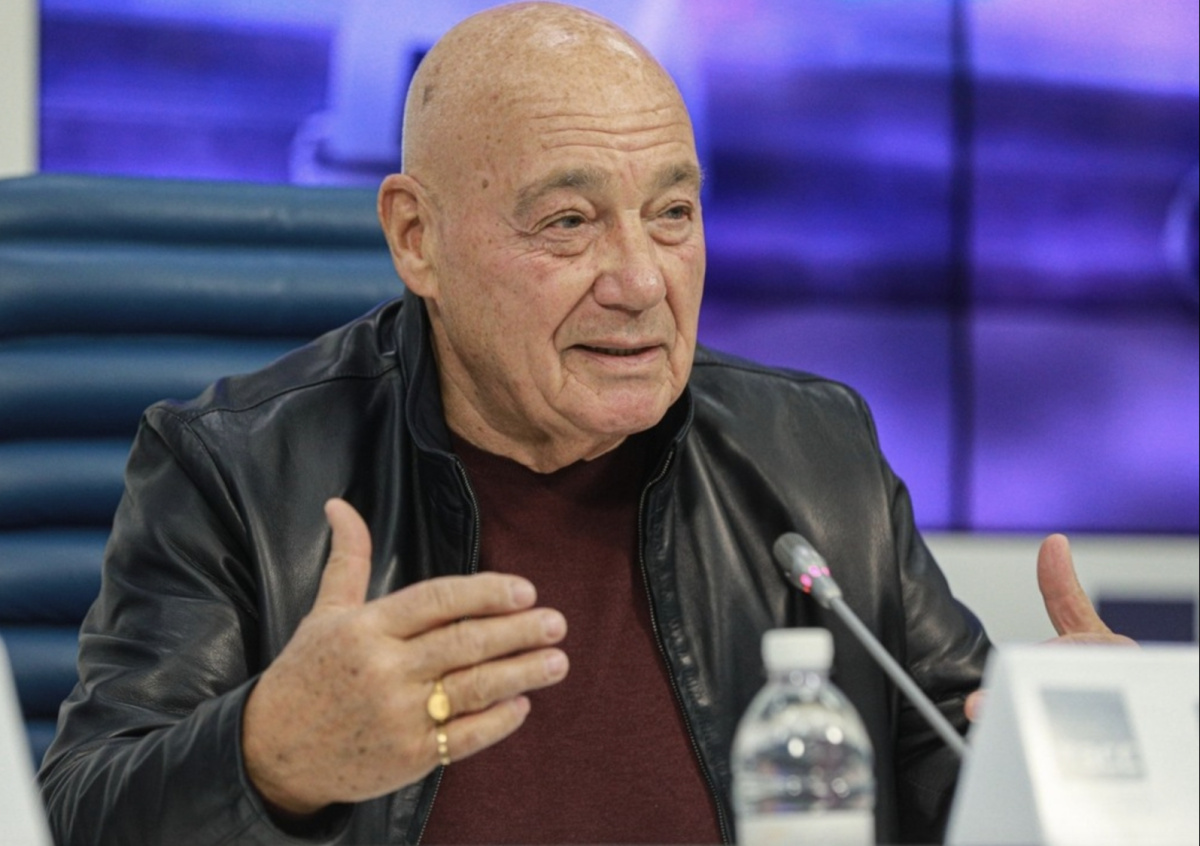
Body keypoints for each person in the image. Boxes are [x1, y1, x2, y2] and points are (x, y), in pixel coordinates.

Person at [37, 3, 1131, 844]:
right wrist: (268, 757)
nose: (642, 281)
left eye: (673, 214)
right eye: (568, 222)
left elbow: (957, 775)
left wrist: (1089, 758)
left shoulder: (813, 454)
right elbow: (80, 814)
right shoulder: (233, 472)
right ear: (416, 238)